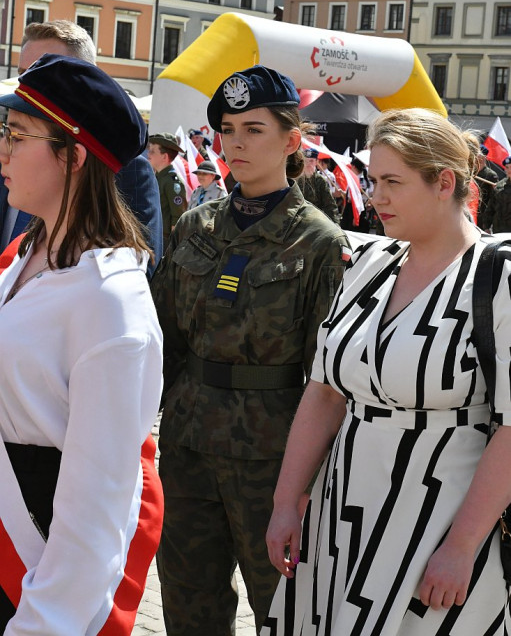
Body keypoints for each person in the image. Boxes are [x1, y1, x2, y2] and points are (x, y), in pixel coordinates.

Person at [263, 107, 511, 635]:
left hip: (438, 524)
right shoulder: (369, 265)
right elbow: (324, 393)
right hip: (340, 520)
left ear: (444, 183)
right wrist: (286, 502)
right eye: (374, 180)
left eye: (393, 182)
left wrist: (462, 546)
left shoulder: (498, 275)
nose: (375, 197)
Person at [151, 65, 350, 635]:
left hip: (274, 456)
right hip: (188, 442)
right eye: (228, 128)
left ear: (292, 141)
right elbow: (163, 337)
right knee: (189, 598)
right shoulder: (196, 225)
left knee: (281, 607)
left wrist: (310, 481)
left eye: (254, 129)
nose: (235, 142)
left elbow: (326, 374)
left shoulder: (318, 242)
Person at [0, 53, 163, 634]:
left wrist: (43, 623)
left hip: (32, 558)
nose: (3, 151)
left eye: (17, 135)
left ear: (73, 157)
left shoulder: (108, 302)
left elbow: (98, 499)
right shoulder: (22, 257)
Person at [15, 19, 163, 277]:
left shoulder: (127, 167)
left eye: (47, 74)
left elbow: (138, 268)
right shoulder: (10, 149)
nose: (28, 88)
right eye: (23, 74)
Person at [147, 132, 188, 247]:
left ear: (164, 157)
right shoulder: (157, 177)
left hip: (163, 240)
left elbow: (178, 217)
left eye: (152, 151)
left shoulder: (172, 182)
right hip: (152, 234)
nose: (148, 154)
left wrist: (172, 247)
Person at [296, 148, 341, 224]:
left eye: (311, 161)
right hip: (298, 221)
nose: (308, 164)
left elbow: (330, 206)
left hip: (315, 222)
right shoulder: (296, 179)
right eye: (306, 161)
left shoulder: (320, 181)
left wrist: (335, 224)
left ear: (316, 162)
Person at [482, 154, 511, 233]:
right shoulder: (499, 185)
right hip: (499, 230)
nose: (509, 171)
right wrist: (486, 226)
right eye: (507, 167)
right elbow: (491, 207)